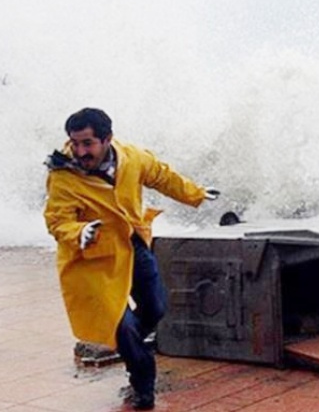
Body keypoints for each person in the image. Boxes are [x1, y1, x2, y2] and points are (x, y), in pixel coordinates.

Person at [43, 108, 219, 410]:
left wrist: (195, 193)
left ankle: (128, 345)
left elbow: (162, 176)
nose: (80, 152)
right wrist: (79, 231)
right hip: (92, 258)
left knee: (156, 307)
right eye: (75, 143)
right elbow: (57, 220)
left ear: (107, 139)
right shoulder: (63, 176)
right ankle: (142, 384)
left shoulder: (132, 158)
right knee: (122, 326)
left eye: (88, 143)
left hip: (132, 243)